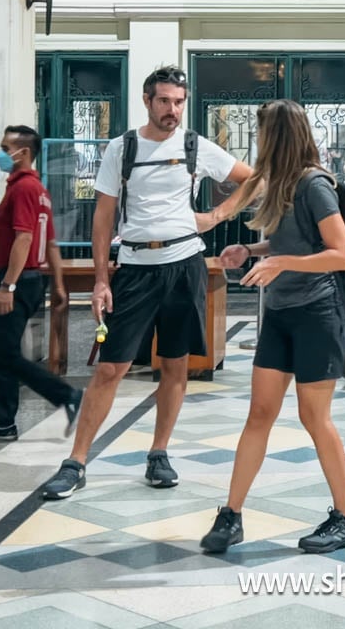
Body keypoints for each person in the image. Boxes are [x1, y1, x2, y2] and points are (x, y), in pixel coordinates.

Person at [39, 66, 253, 499]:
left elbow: (254, 179)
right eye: (164, 101)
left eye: (178, 102)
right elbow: (103, 216)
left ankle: (159, 453)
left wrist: (216, 216)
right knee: (111, 367)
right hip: (135, 267)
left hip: (184, 263)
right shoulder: (123, 148)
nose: (172, 110)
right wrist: (102, 279)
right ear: (147, 100)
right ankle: (76, 462)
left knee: (175, 365)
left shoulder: (196, 145)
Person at [201, 100, 345, 555]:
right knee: (260, 413)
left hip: (318, 313)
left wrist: (281, 263)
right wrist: (251, 253)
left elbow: (340, 254)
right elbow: (293, 240)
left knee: (315, 418)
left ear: (277, 136)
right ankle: (231, 514)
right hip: (282, 312)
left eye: (262, 134)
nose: (258, 143)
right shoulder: (283, 185)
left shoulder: (314, 184)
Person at [0, 125, 85, 442]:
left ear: (23, 153)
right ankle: (4, 422)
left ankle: (66, 396)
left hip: (19, 281)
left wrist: (7, 286)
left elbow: (24, 239)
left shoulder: (23, 189)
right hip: (32, 280)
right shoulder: (39, 190)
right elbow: (50, 242)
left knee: (6, 355)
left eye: (5, 148)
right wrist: (60, 285)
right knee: (3, 354)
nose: (0, 154)